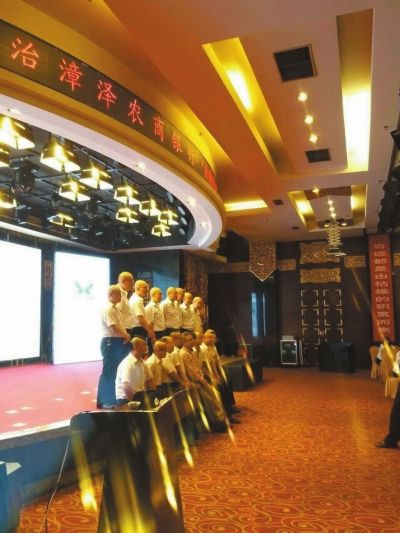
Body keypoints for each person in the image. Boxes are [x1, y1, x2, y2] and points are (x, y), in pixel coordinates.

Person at [180, 331, 228, 432]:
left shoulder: (193, 351)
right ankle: (216, 423)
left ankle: (221, 420)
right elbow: (191, 373)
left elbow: (199, 368)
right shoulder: (183, 354)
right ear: (183, 342)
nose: (192, 341)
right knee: (208, 400)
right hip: (194, 382)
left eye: (192, 339)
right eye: (188, 340)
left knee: (216, 394)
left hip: (200, 380)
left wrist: (204, 378)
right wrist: (203, 380)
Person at [97, 285, 131, 408]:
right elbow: (113, 327)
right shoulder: (109, 309)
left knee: (117, 371)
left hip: (117, 341)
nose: (120, 297)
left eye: (121, 294)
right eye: (118, 294)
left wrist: (125, 336)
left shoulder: (115, 309)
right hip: (110, 342)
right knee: (109, 372)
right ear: (110, 295)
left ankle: (114, 398)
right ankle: (104, 401)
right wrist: (126, 336)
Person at [115, 337, 153, 405]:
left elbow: (150, 380)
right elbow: (125, 387)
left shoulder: (142, 362)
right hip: (125, 400)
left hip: (138, 397)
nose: (146, 346)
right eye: (144, 344)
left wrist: (153, 396)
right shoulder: (127, 363)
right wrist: (135, 403)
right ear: (135, 347)